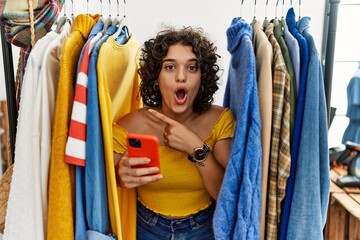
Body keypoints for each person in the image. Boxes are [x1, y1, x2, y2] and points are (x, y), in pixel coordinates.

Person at [113, 26, 235, 240]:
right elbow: (98, 192)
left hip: (205, 228)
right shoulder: (129, 125)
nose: (181, 77)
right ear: (156, 77)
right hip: (145, 228)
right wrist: (118, 177)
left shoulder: (220, 121)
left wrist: (197, 148)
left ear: (202, 76)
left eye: (192, 68)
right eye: (170, 67)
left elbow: (229, 199)